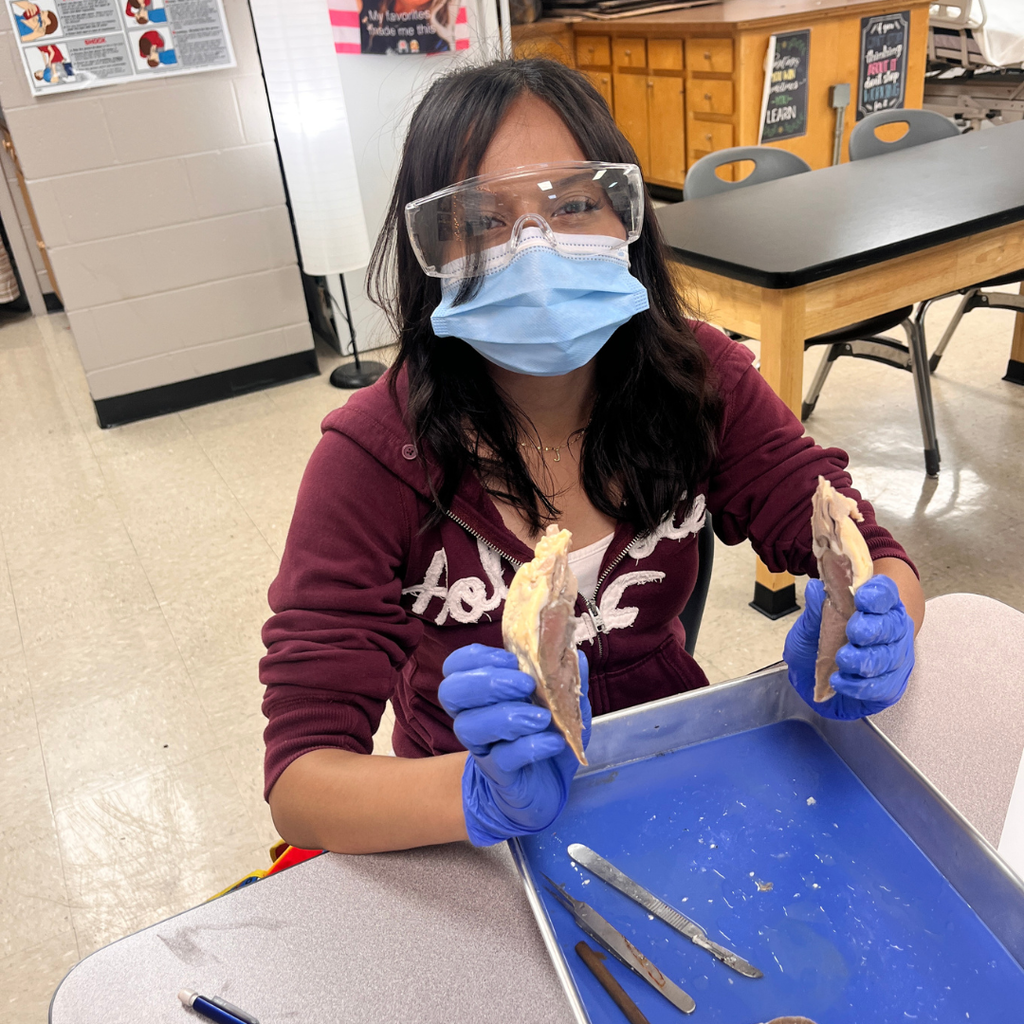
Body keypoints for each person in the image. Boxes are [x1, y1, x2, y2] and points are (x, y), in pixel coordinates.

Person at [260, 58, 923, 856]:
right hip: (461, 831)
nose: (534, 247)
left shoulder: (697, 381)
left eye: (572, 203)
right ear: (428, 251)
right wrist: (472, 795)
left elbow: (869, 550)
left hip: (672, 766)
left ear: (626, 217)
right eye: (480, 221)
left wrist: (872, 633)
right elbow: (302, 779)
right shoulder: (374, 456)